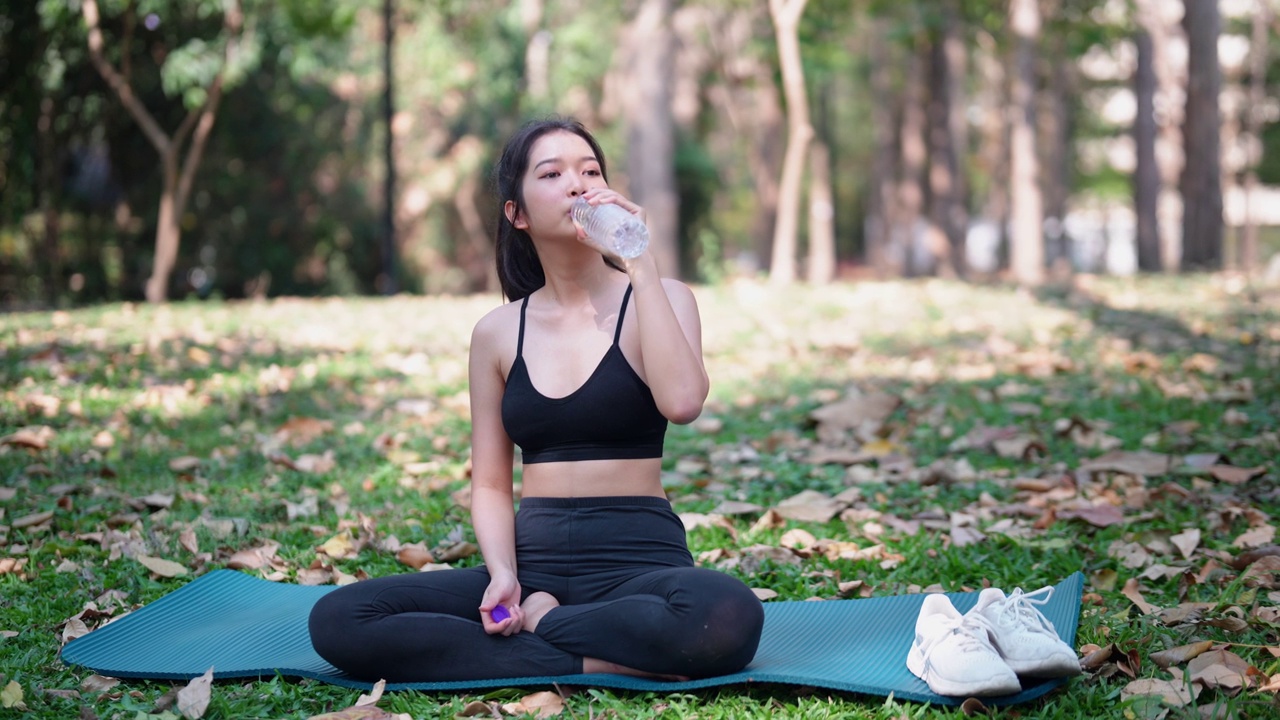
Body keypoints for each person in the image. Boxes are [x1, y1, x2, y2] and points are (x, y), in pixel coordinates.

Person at [308, 118, 764, 683]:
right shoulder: (498, 333)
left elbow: (684, 401)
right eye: (553, 173)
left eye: (590, 170)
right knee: (340, 618)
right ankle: (601, 654)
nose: (578, 184)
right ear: (517, 213)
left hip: (639, 560)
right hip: (532, 564)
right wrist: (503, 575)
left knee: (726, 614)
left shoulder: (661, 297)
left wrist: (640, 260)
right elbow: (493, 484)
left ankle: (546, 630)